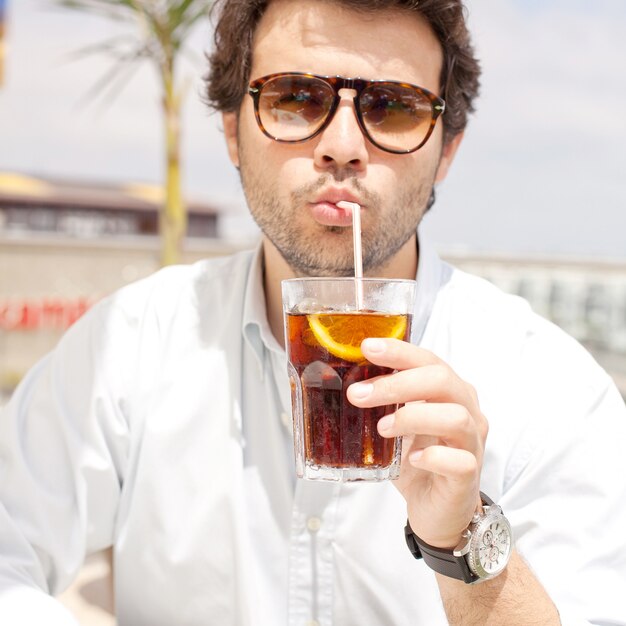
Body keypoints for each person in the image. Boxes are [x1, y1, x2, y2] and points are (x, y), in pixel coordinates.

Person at [1, 0, 625, 623]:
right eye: (295, 97)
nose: (343, 147)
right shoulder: (131, 344)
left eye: (393, 106)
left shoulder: (553, 392)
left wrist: (463, 544)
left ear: (448, 149)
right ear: (230, 131)